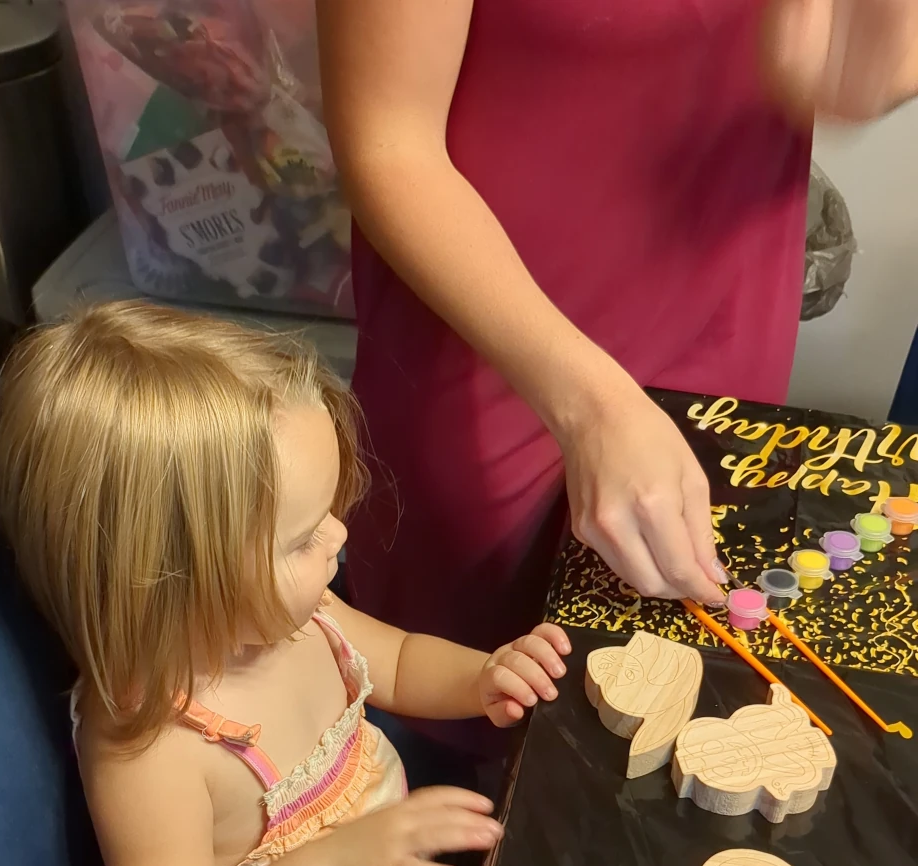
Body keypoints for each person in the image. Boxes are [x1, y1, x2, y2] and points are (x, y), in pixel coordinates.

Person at [0, 300, 571, 866]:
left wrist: (483, 678)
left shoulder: (298, 614)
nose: (338, 535)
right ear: (174, 578)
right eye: (302, 537)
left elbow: (402, 662)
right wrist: (337, 864)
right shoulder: (153, 747)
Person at [317, 0, 918, 658]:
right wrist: (593, 407)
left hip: (728, 315)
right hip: (504, 344)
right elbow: (389, 145)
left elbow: (871, 56)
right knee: (475, 670)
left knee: (680, 657)